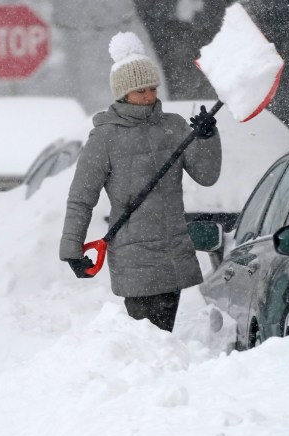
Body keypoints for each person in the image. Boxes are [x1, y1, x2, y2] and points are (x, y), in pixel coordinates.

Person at [59, 31, 222, 332]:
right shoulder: (105, 137)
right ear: (122, 94)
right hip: (135, 258)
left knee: (163, 338)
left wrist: (207, 138)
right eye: (139, 91)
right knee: (147, 339)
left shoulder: (173, 127)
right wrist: (72, 249)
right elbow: (82, 197)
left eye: (151, 88)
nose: (148, 96)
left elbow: (207, 176)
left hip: (173, 251)